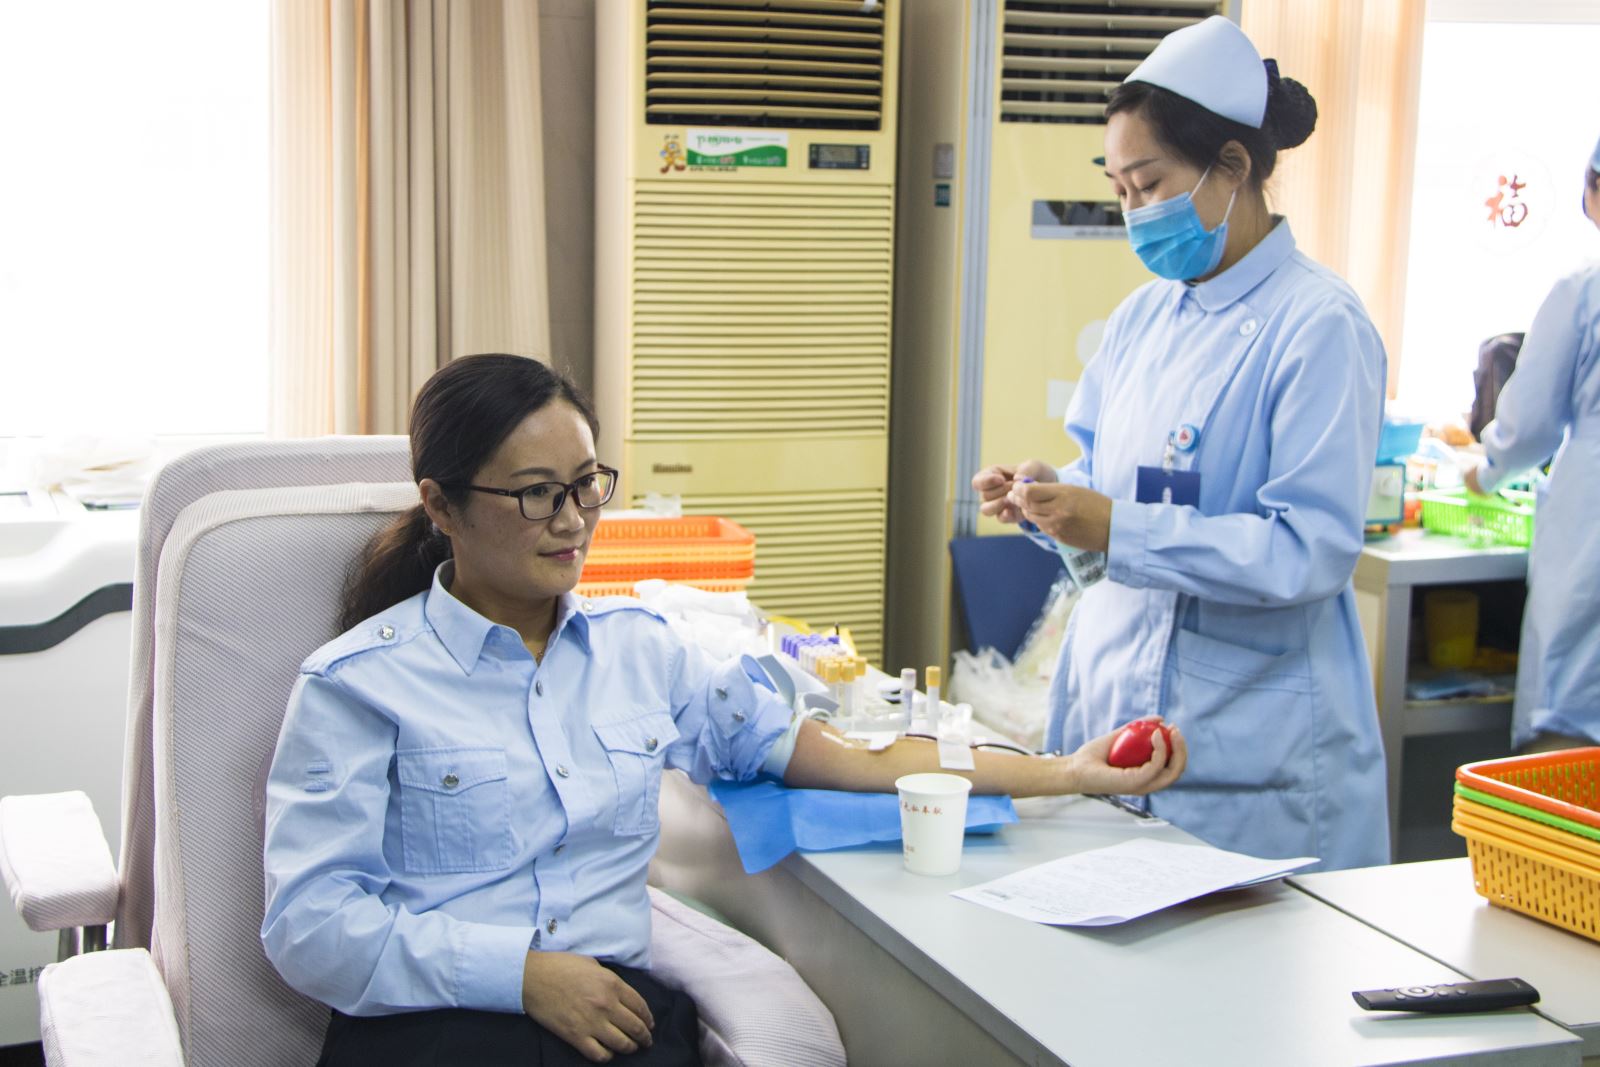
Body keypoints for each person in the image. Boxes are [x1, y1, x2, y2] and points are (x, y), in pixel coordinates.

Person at [262, 353, 1187, 1066]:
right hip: (434, 1028)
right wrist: (523, 976)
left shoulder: (644, 653)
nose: (573, 521)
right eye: (537, 494)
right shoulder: (358, 684)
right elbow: (310, 925)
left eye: (586, 484)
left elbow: (846, 756)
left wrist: (1067, 771)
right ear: (441, 505)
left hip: (616, 1024)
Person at [972, 16, 1389, 871]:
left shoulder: (1319, 325)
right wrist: (1050, 498)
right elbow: (1110, 487)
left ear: (1232, 166)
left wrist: (1115, 525)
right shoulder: (1142, 318)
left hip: (1251, 758)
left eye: (1150, 184)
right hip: (1115, 725)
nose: (1133, 212)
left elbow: (1309, 551)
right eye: (1120, 190)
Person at [1464, 134, 1600, 753]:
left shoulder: (1584, 290)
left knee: (1569, 733)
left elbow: (1529, 428)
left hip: (1589, 530)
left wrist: (1485, 470)